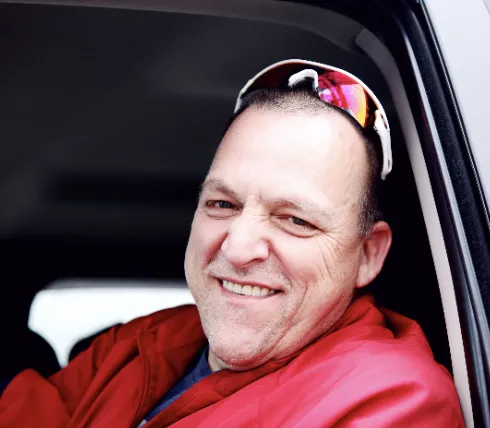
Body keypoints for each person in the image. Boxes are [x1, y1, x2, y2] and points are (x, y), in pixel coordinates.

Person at [0, 59, 464, 427]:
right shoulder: (136, 346)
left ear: (368, 254)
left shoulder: (392, 402)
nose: (239, 248)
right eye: (222, 205)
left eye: (295, 219)